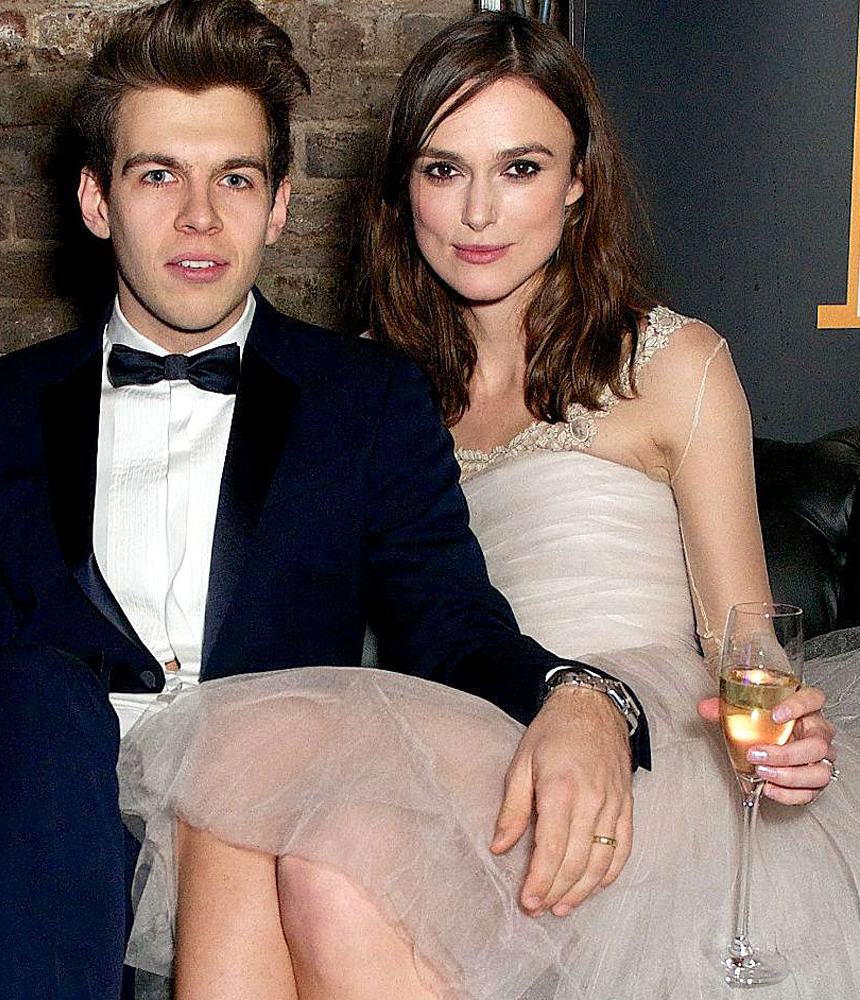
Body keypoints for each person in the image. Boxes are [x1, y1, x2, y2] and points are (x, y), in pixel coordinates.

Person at [0, 3, 661, 999]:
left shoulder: (362, 403)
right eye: (158, 176)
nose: (200, 218)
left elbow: (452, 623)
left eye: (233, 179)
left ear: (278, 205)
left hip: (239, 829)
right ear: (96, 202)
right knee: (33, 699)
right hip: (36, 816)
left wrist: (582, 694)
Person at [118, 9, 859, 1000]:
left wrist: (779, 731)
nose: (477, 212)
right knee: (244, 781)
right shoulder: (369, 387)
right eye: (442, 169)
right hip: (462, 730)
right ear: (402, 191)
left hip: (643, 752)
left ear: (578, 182)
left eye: (519, 168)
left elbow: (746, 639)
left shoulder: (676, 363)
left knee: (324, 855)